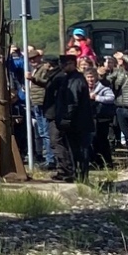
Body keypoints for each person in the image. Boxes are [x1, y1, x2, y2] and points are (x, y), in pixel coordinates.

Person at [41, 53, 94, 181]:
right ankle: (74, 174)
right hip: (75, 121)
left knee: (79, 150)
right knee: (74, 149)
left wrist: (66, 119)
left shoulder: (76, 80)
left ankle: (79, 176)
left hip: (78, 122)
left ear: (71, 64)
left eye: (64, 64)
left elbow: (72, 102)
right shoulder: (69, 78)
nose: (61, 67)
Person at [24, 47, 57, 168]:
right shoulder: (34, 69)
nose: (32, 61)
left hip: (43, 102)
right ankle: (49, 157)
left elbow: (46, 82)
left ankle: (51, 158)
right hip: (36, 102)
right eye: (30, 59)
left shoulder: (43, 69)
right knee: (42, 132)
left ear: (39, 58)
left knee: (46, 132)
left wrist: (33, 79)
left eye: (34, 58)